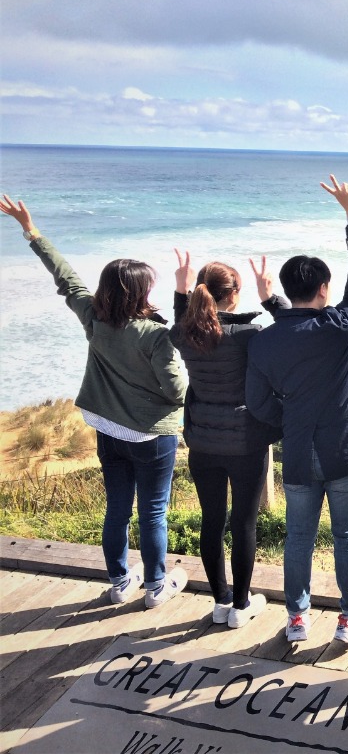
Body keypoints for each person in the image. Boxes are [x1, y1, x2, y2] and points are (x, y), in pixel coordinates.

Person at [1, 195, 189, 607]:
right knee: (153, 512)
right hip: (151, 437)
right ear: (141, 292)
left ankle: (121, 581)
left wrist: (31, 231)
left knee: (117, 508)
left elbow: (66, 277)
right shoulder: (155, 334)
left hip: (107, 429)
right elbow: (175, 391)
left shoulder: (94, 317)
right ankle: (156, 587)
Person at [245, 176, 348, 645]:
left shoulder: (265, 342)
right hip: (346, 449)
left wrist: (291, 416)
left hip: (300, 452)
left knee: (298, 538)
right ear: (325, 288)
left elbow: (260, 402)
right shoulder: (341, 326)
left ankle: (297, 619)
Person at [169, 252, 285, 629]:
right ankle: (240, 605)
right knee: (244, 523)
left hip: (202, 442)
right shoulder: (249, 335)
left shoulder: (186, 334)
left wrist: (180, 291)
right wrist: (270, 298)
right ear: (234, 295)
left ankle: (219, 602)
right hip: (246, 442)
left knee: (212, 520)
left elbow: (181, 322)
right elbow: (290, 334)